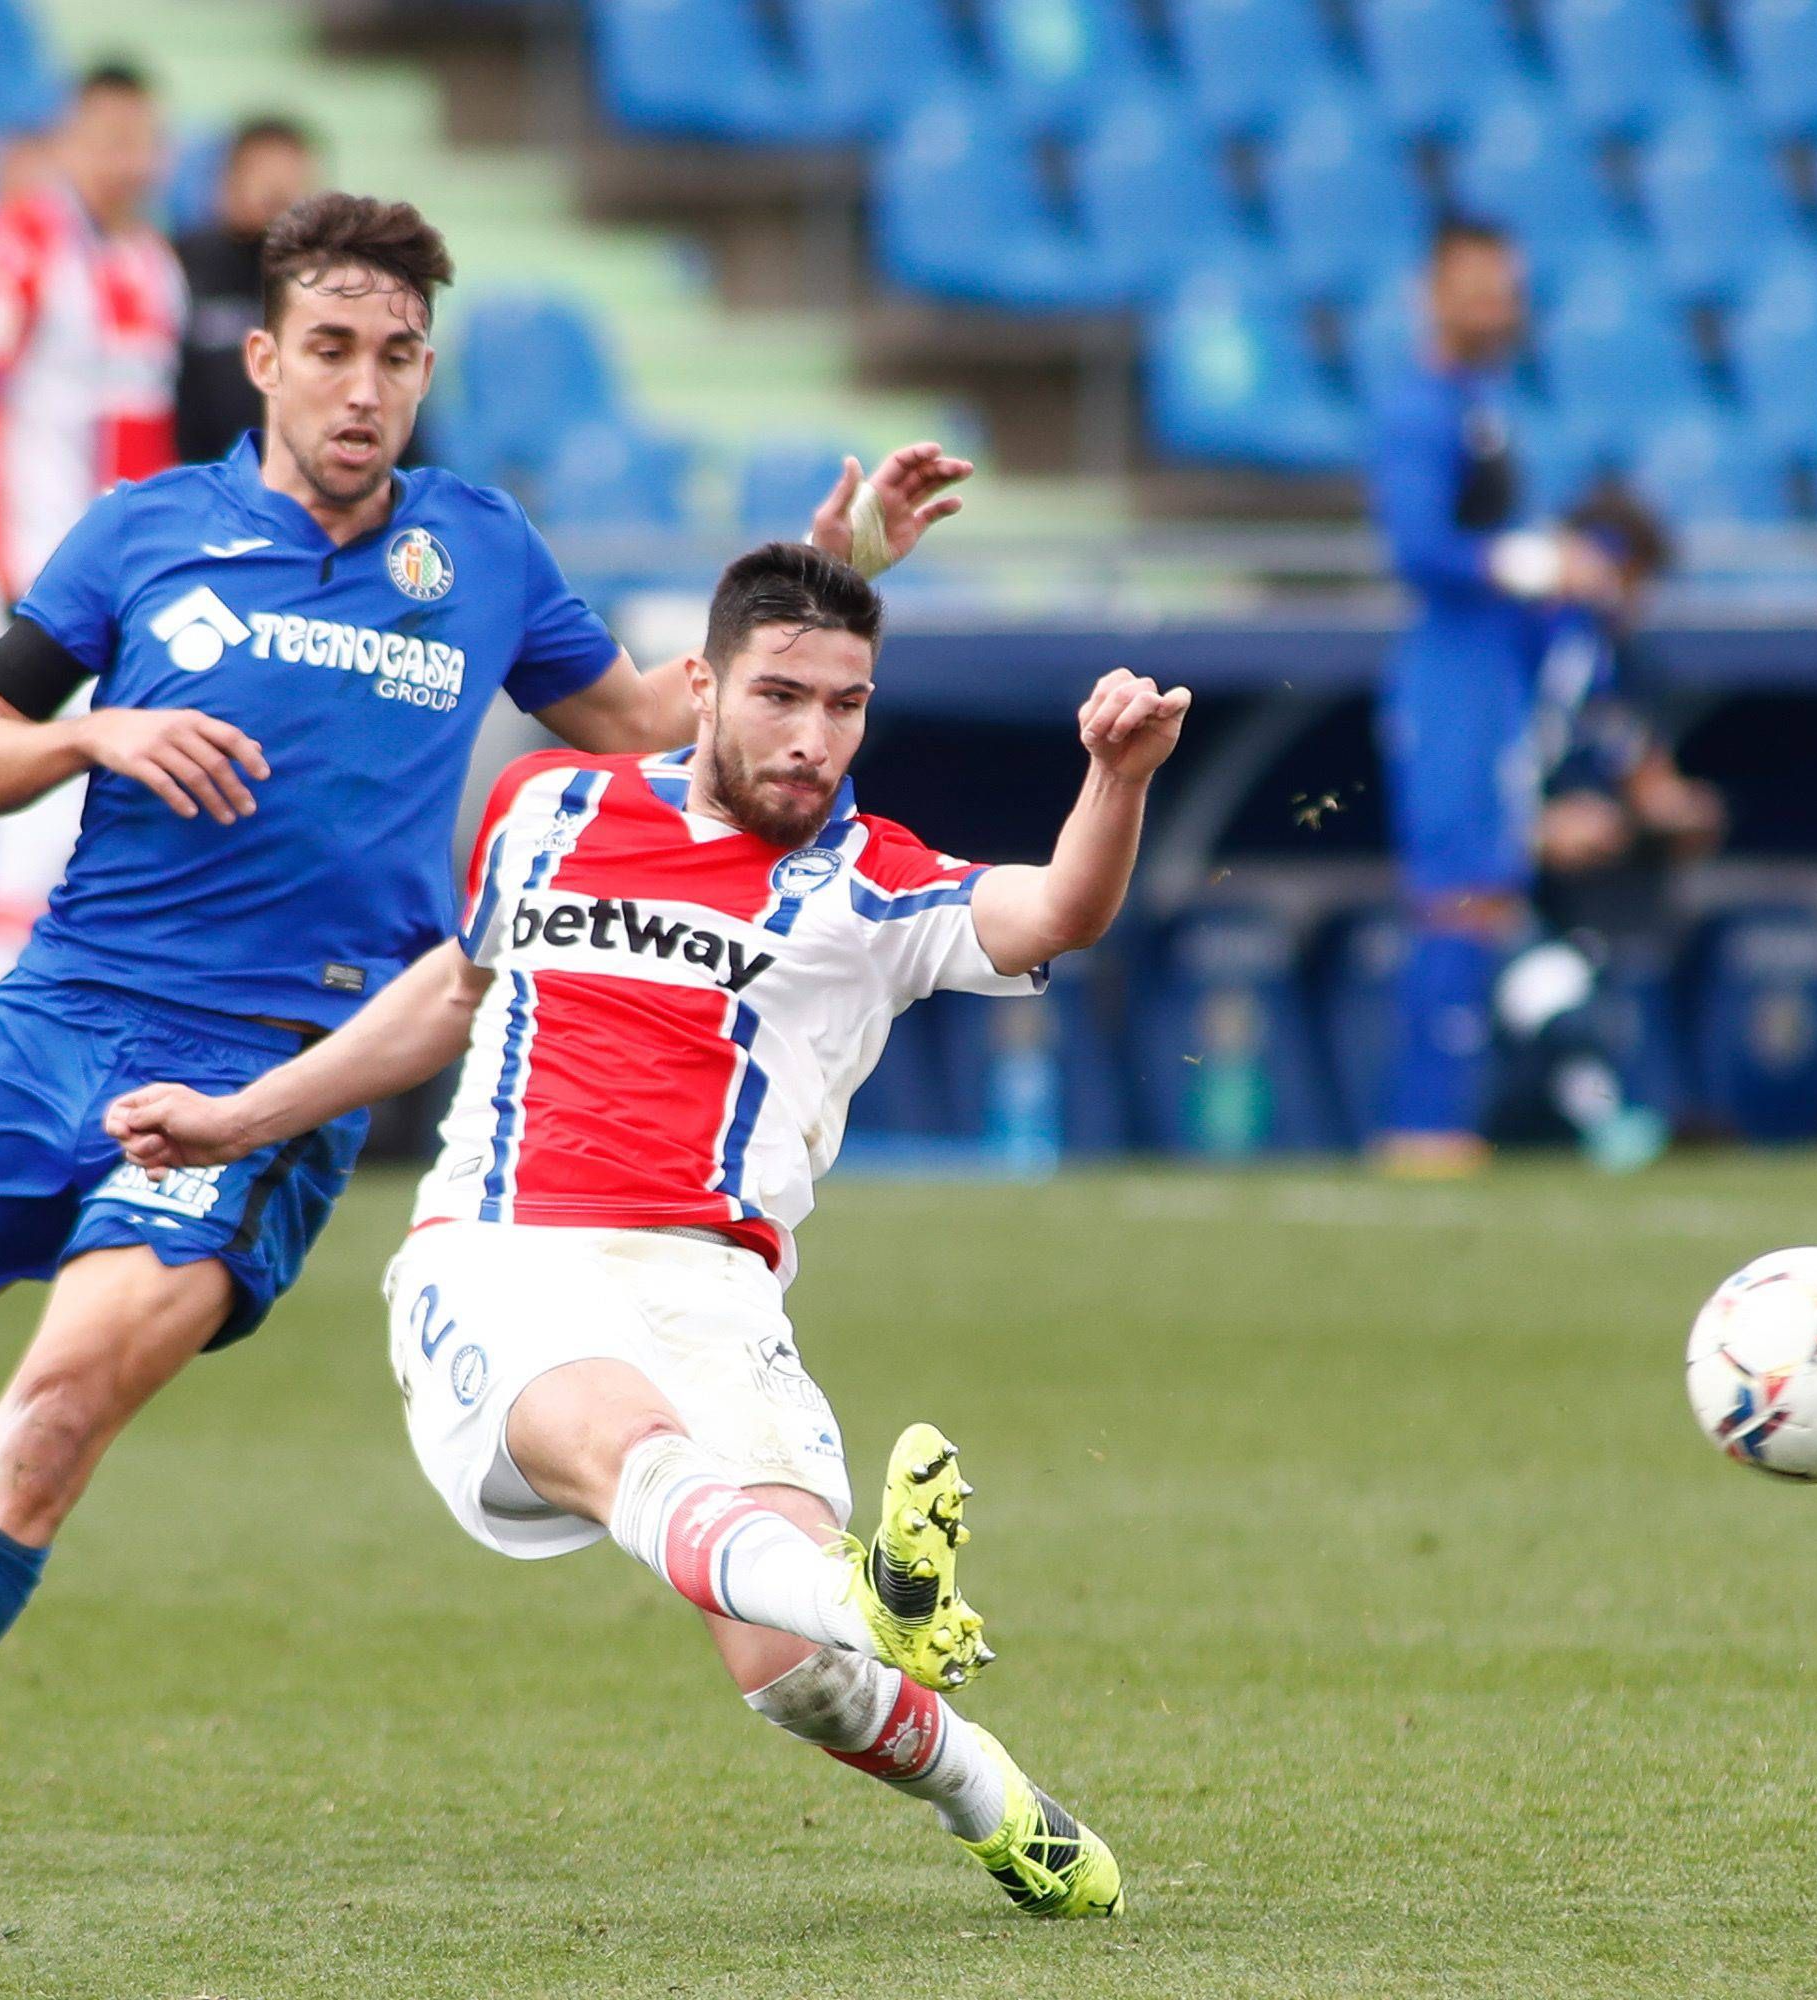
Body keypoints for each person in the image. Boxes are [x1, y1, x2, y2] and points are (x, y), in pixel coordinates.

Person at [0, 191, 974, 1881]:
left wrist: (839, 566)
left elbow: (663, 723)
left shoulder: (477, 553)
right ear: (267, 360)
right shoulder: (139, 537)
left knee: (58, 1412)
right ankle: (41, 1243)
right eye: (338, 353)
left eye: (402, 359)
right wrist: (99, 740)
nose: (368, 391)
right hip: (55, 1029)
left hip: (272, 1071)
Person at [101, 544, 1183, 1917]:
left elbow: (1060, 910)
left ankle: (995, 1799)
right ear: (701, 689)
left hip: (716, 1290)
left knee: (795, 1672)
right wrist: (243, 1116)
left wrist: (1118, 777)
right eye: (781, 695)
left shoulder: (869, 885)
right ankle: (878, 1602)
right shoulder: (544, 807)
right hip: (502, 1256)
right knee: (629, 1451)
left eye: (846, 705)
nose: (813, 737)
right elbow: (455, 992)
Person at [0, 64, 187, 1030]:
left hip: (109, 585)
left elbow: (145, 443)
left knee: (103, 816)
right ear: (72, 141)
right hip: (22, 574)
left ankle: (64, 1048)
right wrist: (2, 567)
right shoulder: (16, 246)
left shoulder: (151, 264)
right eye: (110, 137)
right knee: (25, 814)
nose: (130, 159)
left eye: (144, 139)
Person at [1367, 216, 1623, 1176]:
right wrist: (1536, 558)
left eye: (1506, 286)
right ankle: (1424, 1124)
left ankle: (1443, 1119)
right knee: (1458, 894)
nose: (1496, 304)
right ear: (1431, 294)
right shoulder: (1421, 409)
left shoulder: (1488, 404)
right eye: (1477, 285)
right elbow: (1420, 548)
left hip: (1494, 671)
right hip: (1453, 670)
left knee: (1488, 890)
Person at [1493, 482, 1721, 1169]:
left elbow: (1639, 762)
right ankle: (1598, 1119)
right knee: (1550, 1003)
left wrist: (1672, 804)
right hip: (1502, 872)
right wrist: (1531, 824)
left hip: (1595, 882)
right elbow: (1479, 757)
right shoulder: (1519, 638)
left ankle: (1629, 1114)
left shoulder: (1618, 657)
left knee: (1608, 984)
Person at [176, 115, 321, 466]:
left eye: (290, 181)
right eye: (263, 176)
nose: (278, 194)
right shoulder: (180, 267)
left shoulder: (334, 285)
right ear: (228, 183)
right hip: (196, 487)